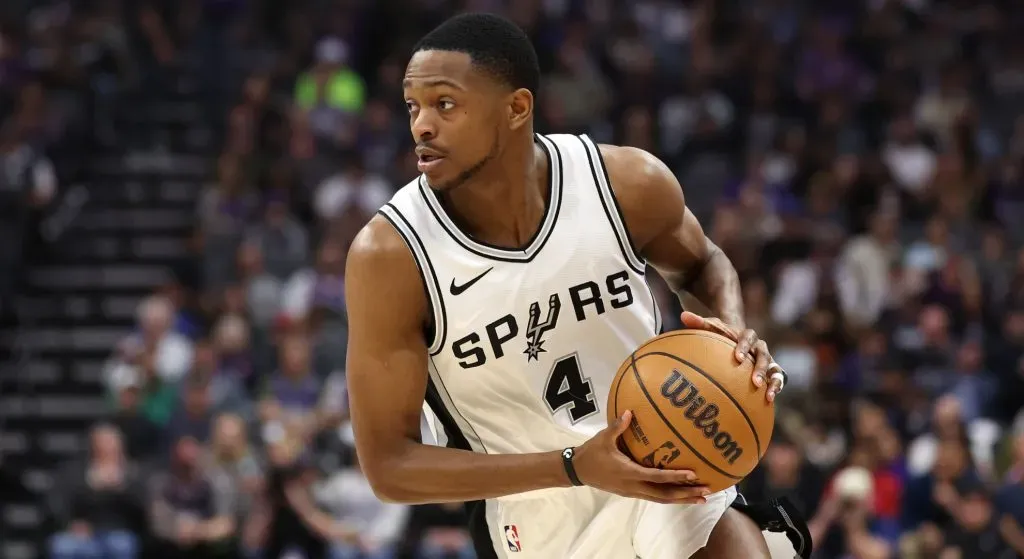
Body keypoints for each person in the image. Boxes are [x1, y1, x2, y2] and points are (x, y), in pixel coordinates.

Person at [345, 13, 809, 559]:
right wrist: (573, 467)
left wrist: (730, 336)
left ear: (517, 108)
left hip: (663, 461)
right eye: (413, 107)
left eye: (445, 104)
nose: (421, 125)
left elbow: (703, 263)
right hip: (536, 521)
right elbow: (389, 467)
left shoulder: (625, 184)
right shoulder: (392, 256)